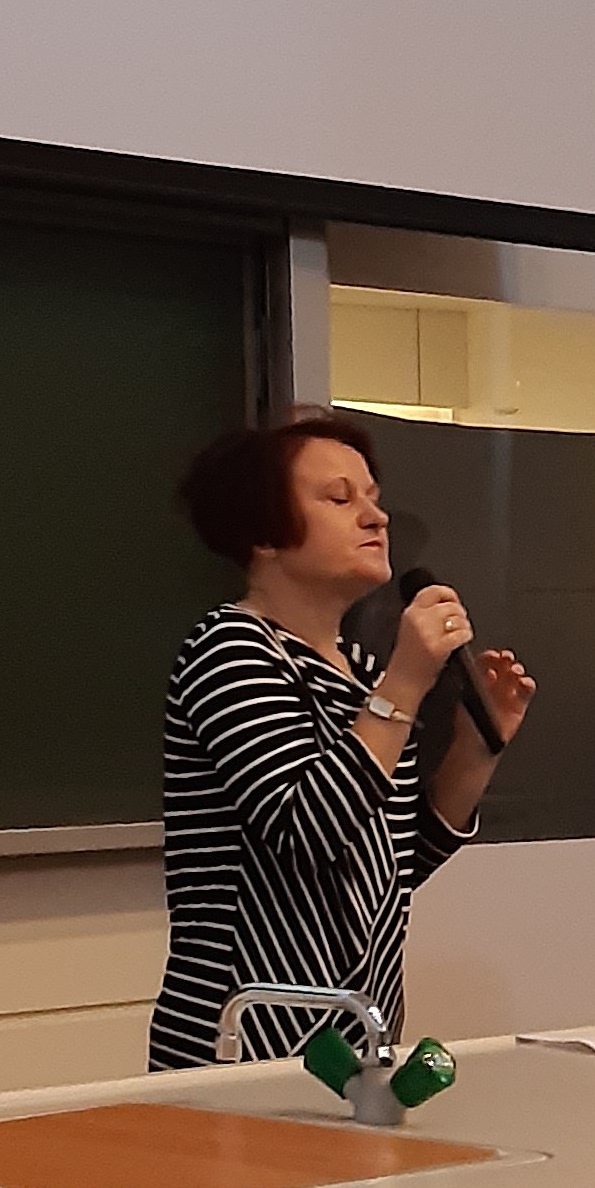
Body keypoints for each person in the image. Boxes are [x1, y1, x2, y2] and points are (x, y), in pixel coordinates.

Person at [149, 414, 532, 1075]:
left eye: (374, 498)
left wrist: (474, 749)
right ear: (264, 533)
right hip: (242, 1044)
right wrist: (406, 682)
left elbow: (389, 866)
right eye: (338, 498)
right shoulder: (231, 650)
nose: (375, 517)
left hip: (355, 1035)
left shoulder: (362, 670)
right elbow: (308, 832)